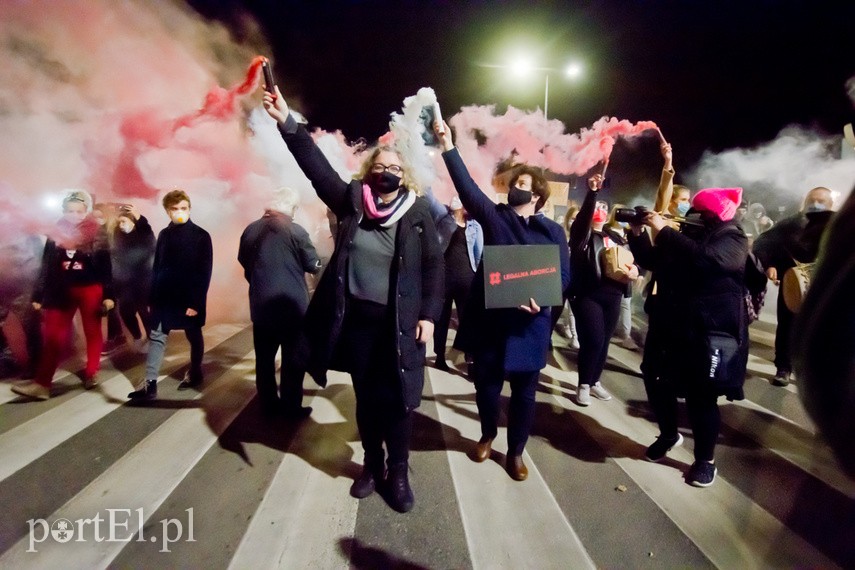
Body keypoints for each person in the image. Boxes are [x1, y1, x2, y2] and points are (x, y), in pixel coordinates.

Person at [263, 87, 444, 513]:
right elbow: (316, 169)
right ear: (367, 172)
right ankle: (372, 464)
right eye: (379, 166)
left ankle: (398, 472)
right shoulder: (352, 202)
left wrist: (431, 316)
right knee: (366, 397)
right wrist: (288, 122)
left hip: (400, 324)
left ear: (406, 175)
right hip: (359, 322)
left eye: (394, 168)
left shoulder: (417, 213)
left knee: (399, 399)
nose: (387, 172)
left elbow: (435, 269)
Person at [434, 119, 570, 482]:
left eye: (523, 185)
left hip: (530, 324)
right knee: (487, 387)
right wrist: (447, 145)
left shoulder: (553, 233)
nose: (516, 189)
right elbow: (467, 189)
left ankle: (516, 452)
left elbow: (563, 277)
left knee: (525, 394)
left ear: (539, 196)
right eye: (514, 184)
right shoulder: (496, 218)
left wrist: (542, 303)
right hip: (492, 322)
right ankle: (487, 434)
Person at [628, 187, 750, 487]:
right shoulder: (686, 236)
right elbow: (652, 260)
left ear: (714, 215)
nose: (691, 215)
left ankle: (704, 460)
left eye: (700, 211)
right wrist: (637, 232)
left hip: (707, 331)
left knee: (701, 396)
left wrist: (666, 231)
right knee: (655, 379)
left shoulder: (733, 237)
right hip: (669, 324)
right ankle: (669, 434)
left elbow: (710, 261)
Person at [12, 190, 114, 400]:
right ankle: (42, 384)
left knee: (92, 331)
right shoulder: (56, 231)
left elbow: (105, 264)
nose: (74, 215)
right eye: (69, 211)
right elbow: (47, 265)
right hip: (60, 289)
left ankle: (91, 372)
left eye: (78, 211)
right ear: (63, 211)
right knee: (52, 336)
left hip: (89, 287)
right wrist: (39, 295)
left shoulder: (96, 231)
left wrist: (109, 294)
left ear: (86, 211)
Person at [238, 187, 321, 418]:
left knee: (264, 361)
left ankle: (268, 405)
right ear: (291, 208)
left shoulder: (250, 230)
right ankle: (291, 407)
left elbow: (244, 261)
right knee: (293, 361)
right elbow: (312, 264)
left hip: (261, 308)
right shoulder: (296, 231)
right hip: (292, 309)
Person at [128, 189, 212, 400]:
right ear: (167, 211)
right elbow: (157, 267)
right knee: (157, 338)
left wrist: (196, 302)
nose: (179, 212)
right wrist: (152, 297)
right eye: (174, 209)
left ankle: (195, 371)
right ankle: (150, 385)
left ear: (190, 208)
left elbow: (204, 272)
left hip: (188, 298)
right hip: (164, 298)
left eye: (183, 208)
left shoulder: (201, 236)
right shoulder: (165, 234)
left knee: (194, 335)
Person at [569, 174, 639, 406]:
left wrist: (634, 271)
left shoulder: (616, 236)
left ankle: (595, 380)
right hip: (588, 295)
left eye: (604, 205)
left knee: (605, 340)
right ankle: (584, 384)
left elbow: (631, 260)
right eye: (597, 205)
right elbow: (583, 218)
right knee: (594, 339)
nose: (600, 208)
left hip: (614, 295)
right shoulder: (583, 235)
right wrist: (593, 193)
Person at [752, 186, 835, 386]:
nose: (816, 205)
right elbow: (763, 244)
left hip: (824, 287)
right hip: (793, 284)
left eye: (821, 202)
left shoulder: (838, 225)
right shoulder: (789, 225)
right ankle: (784, 367)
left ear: (831, 205)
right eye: (812, 201)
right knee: (788, 326)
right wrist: (770, 265)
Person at [425, 192, 483, 372]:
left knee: (469, 321)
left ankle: (471, 358)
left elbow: (480, 254)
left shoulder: (475, 224)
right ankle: (440, 356)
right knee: (441, 320)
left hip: (468, 281)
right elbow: (429, 197)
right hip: (443, 279)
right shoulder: (444, 218)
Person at [111, 204, 155, 352]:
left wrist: (140, 218)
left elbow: (149, 240)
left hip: (142, 281)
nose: (121, 225)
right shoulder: (118, 235)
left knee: (144, 311)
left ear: (133, 222)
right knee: (125, 311)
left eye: (124, 222)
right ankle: (137, 337)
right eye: (120, 222)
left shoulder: (142, 234)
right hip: (124, 282)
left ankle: (151, 338)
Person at [0, 234, 43, 378]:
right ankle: (10, 358)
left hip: (24, 281)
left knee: (27, 322)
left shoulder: (24, 232)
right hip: (7, 281)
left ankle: (34, 364)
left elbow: (35, 259)